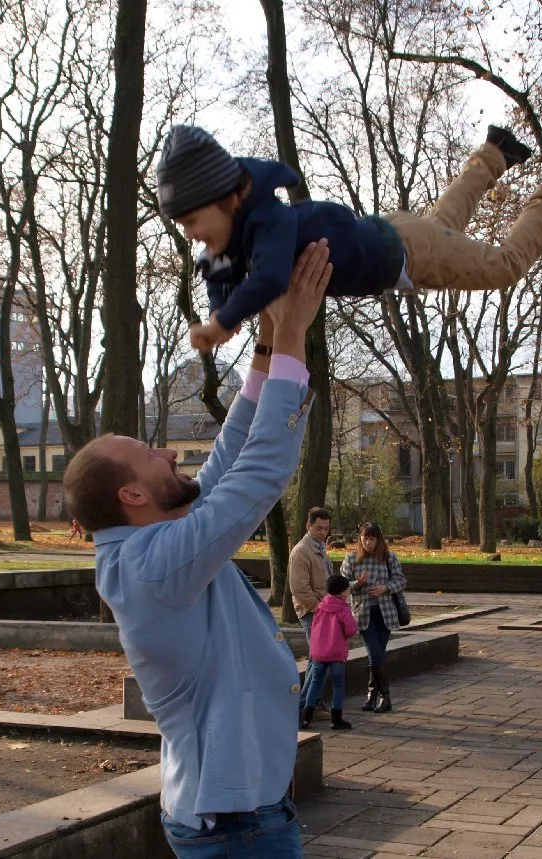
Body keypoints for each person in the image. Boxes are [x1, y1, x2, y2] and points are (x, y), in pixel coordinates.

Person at [61, 241, 332, 858]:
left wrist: (268, 339)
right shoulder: (151, 565)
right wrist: (294, 333)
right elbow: (257, 474)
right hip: (235, 828)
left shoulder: (154, 544)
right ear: (132, 494)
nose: (169, 452)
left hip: (240, 816)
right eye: (150, 454)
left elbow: (231, 455)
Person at [156, 124, 542, 353]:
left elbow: (271, 279)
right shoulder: (234, 233)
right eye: (183, 226)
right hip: (396, 235)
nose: (193, 235)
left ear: (231, 198)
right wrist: (220, 307)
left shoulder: (268, 222)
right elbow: (218, 273)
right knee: (444, 226)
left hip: (406, 253)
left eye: (194, 221)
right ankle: (496, 151)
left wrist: (223, 322)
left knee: (504, 266)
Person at [342, 521, 407, 713]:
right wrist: (358, 583)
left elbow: (401, 580)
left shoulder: (389, 557)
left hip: (385, 613)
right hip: (363, 614)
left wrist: (385, 588)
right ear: (360, 538)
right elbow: (342, 585)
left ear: (379, 540)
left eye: (372, 539)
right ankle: (385, 696)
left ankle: (372, 695)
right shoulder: (352, 558)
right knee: (374, 654)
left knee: (378, 654)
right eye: (365, 538)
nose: (368, 542)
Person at [299, 574, 358, 731]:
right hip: (336, 654)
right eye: (347, 589)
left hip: (319, 654)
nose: (349, 591)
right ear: (341, 592)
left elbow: (314, 628)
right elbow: (351, 630)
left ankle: (306, 717)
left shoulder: (320, 606)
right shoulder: (343, 609)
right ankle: (336, 719)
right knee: (338, 685)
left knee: (315, 683)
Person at [289, 506, 333, 717]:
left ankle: (311, 702)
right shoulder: (301, 551)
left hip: (324, 610)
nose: (323, 532)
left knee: (319, 660)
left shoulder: (320, 548)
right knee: (320, 660)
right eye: (319, 528)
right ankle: (303, 706)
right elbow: (299, 589)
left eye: (326, 529)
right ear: (308, 525)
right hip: (312, 611)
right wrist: (321, 608)